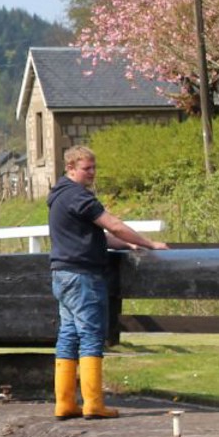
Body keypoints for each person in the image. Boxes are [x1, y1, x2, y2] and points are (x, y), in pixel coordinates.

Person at [47, 145, 167, 420]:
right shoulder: (80, 197)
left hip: (62, 274)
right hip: (82, 276)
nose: (92, 173)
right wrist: (148, 243)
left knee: (68, 333)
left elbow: (98, 236)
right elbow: (113, 225)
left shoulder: (59, 196)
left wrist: (127, 244)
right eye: (86, 168)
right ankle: (93, 403)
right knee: (90, 334)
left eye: (93, 167)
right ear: (71, 168)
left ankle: (64, 403)